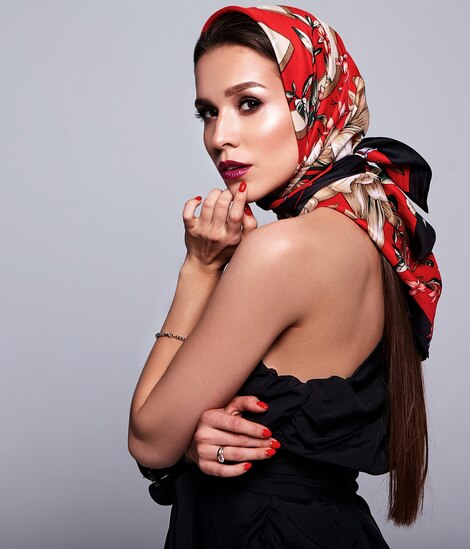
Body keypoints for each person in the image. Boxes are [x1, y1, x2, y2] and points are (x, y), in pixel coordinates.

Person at [128, 4, 442, 548]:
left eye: (249, 104)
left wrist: (200, 268)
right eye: (207, 111)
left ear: (313, 103)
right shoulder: (370, 235)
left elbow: (150, 438)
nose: (220, 136)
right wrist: (196, 438)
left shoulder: (281, 251)